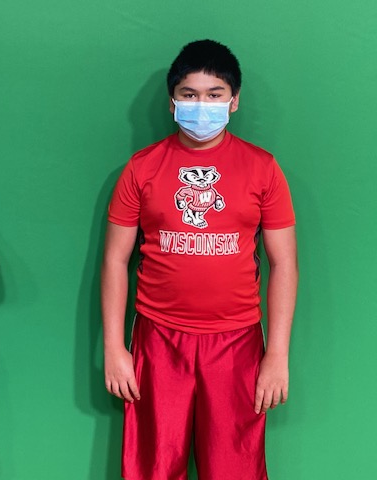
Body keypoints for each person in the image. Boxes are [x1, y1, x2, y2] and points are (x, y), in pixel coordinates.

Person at [102, 40, 298, 480]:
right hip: (158, 339)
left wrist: (277, 354)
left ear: (234, 100)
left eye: (214, 94)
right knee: (152, 467)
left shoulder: (263, 168)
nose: (202, 105)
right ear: (172, 101)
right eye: (190, 94)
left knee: (234, 468)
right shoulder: (141, 168)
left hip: (236, 341)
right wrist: (114, 347)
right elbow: (115, 260)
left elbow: (284, 264)